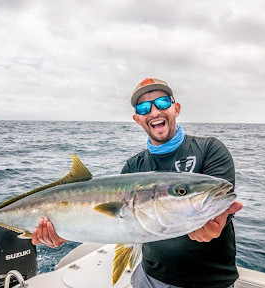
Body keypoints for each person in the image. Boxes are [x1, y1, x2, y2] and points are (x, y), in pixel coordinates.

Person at [32, 78, 243, 288]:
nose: (154, 112)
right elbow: (119, 227)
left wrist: (219, 223)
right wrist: (62, 232)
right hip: (149, 279)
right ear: (137, 119)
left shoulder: (210, 149)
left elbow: (222, 207)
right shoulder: (133, 167)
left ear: (176, 108)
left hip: (211, 282)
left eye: (161, 103)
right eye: (143, 108)